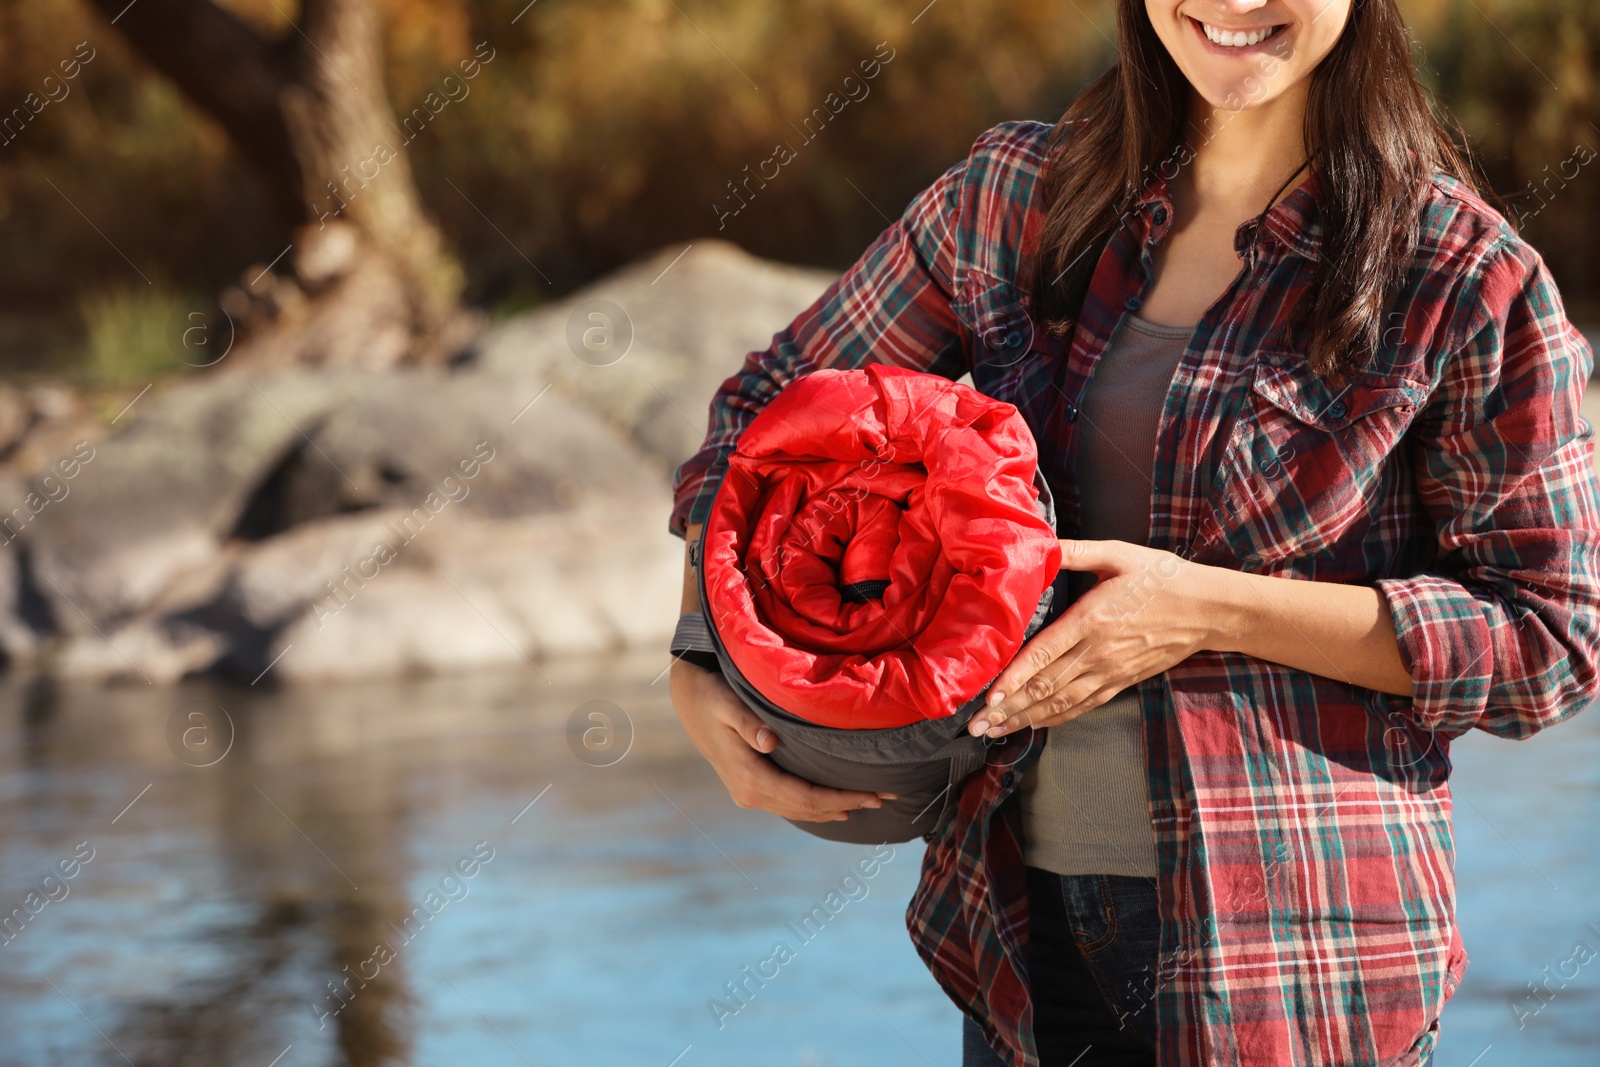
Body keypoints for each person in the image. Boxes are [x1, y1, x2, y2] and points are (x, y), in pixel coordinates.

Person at [666, 1, 1600, 1064]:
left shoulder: (1461, 272)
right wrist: (705, 650)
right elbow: (767, 418)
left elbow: (1551, 641)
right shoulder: (1012, 199)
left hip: (1302, 972)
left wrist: (1207, 609)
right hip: (1019, 936)